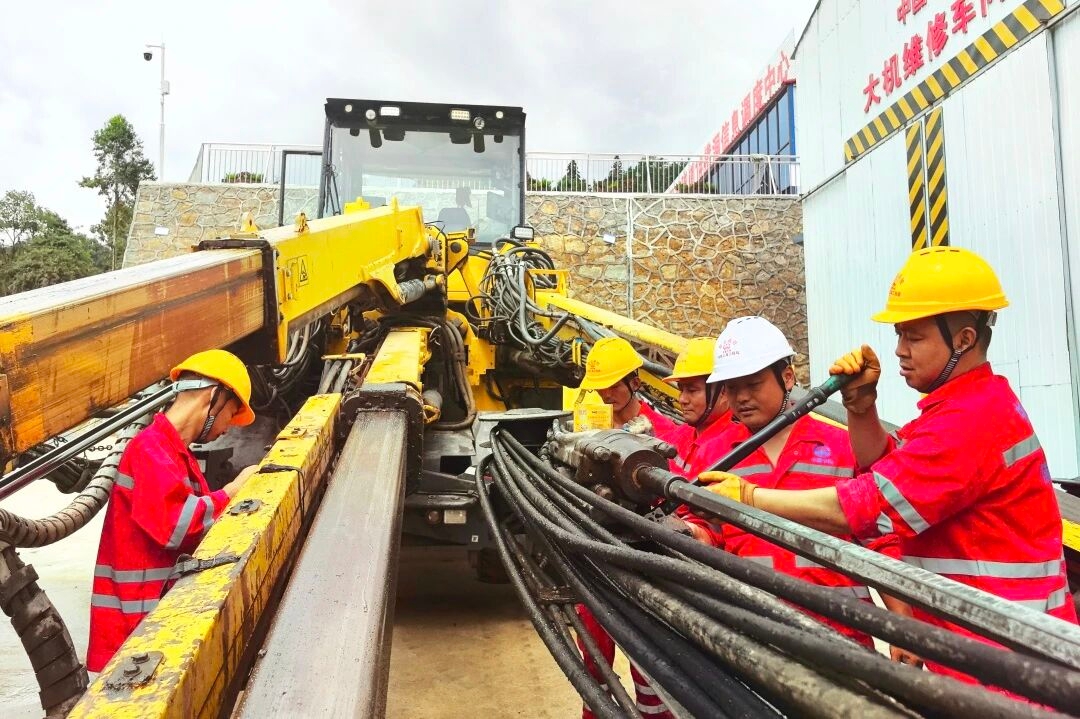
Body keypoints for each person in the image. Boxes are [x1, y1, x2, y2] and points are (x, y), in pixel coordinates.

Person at [705, 248, 1078, 678]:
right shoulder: (955, 409)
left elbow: (871, 507)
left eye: (914, 337)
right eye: (899, 335)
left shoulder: (971, 418)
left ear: (963, 340)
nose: (899, 350)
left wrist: (748, 498)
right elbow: (895, 478)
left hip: (1006, 659)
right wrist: (862, 408)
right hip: (987, 647)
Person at [697, 316, 896, 647]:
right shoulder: (714, 455)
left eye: (753, 384)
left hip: (840, 638)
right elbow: (709, 535)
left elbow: (880, 538)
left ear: (787, 377)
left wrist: (902, 625)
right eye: (732, 388)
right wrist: (694, 533)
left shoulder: (842, 446)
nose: (742, 397)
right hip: (752, 635)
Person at [87, 349, 259, 672]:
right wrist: (233, 491)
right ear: (212, 397)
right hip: (133, 637)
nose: (228, 428)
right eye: (231, 414)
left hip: (149, 625)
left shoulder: (176, 455)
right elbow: (177, 527)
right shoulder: (149, 449)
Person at [575, 336, 674, 718]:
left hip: (644, 559)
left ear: (635, 381)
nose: (605, 394)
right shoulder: (585, 431)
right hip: (596, 555)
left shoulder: (662, 433)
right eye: (599, 386)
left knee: (647, 657)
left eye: (613, 384)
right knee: (593, 655)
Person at [661, 337, 734, 546]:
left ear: (723, 392)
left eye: (692, 390)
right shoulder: (680, 435)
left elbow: (725, 529)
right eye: (681, 389)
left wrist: (691, 531)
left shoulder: (735, 448)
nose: (682, 399)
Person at [579, 337, 675, 438]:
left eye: (614, 387)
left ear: (635, 384)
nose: (606, 395)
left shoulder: (663, 431)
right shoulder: (590, 424)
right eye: (600, 387)